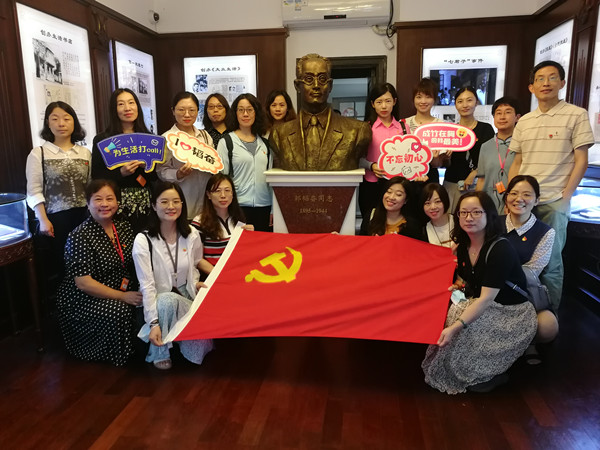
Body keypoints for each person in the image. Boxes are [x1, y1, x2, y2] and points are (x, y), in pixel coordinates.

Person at [422, 191, 537, 394]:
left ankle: (492, 372)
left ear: (489, 215)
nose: (469, 218)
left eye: (476, 212)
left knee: (462, 329)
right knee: (455, 323)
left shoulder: (500, 249)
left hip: (511, 312)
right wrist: (459, 285)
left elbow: (485, 299)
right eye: (463, 212)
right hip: (485, 305)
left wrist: (455, 328)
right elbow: (469, 279)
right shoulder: (464, 245)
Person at [508, 60, 594, 310]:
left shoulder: (576, 114)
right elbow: (518, 162)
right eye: (540, 79)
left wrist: (566, 197)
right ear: (531, 87)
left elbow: (582, 160)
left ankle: (549, 315)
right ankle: (520, 312)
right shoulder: (525, 121)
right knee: (517, 255)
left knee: (551, 261)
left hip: (555, 200)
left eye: (552, 77)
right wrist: (511, 196)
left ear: (562, 82)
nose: (546, 83)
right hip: (523, 201)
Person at [57, 179, 143, 366]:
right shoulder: (79, 236)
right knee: (119, 310)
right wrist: (122, 296)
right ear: (88, 204)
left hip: (121, 286)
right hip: (84, 298)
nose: (104, 204)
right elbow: (84, 283)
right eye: (98, 199)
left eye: (109, 199)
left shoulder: (123, 227)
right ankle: (121, 355)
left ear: (117, 202)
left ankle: (144, 347)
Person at [132, 182, 213, 370]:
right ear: (154, 205)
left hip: (187, 295)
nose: (171, 206)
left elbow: (195, 263)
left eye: (176, 201)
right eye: (164, 202)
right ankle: (159, 350)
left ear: (182, 204)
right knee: (166, 301)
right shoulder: (143, 240)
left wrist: (196, 284)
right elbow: (147, 286)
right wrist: (153, 323)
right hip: (158, 298)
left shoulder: (191, 234)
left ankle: (177, 339)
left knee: (200, 352)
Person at [269, 53, 372, 171]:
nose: (316, 85)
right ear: (297, 86)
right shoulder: (279, 134)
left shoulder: (358, 131)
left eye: (322, 79)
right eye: (309, 79)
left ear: (330, 85)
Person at [26, 101, 91, 283]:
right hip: (55, 219)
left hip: (84, 216)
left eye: (66, 119)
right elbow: (33, 190)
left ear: (74, 122)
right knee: (63, 263)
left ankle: (88, 297)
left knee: (86, 261)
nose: (61, 123)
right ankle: (67, 299)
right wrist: (43, 220)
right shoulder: (39, 153)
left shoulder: (85, 153)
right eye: (55, 119)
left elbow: (91, 185)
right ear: (48, 123)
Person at [501, 175, 559, 360]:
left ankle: (527, 342)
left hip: (524, 293)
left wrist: (497, 271)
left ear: (537, 200)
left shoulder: (546, 232)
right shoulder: (492, 223)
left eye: (527, 194)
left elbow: (532, 271)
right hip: (490, 290)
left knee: (548, 326)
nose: (519, 199)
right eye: (514, 193)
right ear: (506, 197)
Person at [91, 88, 158, 233]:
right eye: (121, 104)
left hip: (145, 202)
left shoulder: (149, 138)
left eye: (131, 103)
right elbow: (96, 176)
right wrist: (120, 172)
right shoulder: (103, 140)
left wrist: (147, 166)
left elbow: (155, 176)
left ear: (137, 106)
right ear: (114, 109)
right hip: (115, 202)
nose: (127, 108)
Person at [216, 93, 272, 232]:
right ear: (235, 113)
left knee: (263, 244)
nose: (245, 114)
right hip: (237, 206)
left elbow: (270, 180)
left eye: (249, 110)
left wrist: (273, 209)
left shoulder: (265, 144)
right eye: (241, 110)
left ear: (256, 113)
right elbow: (221, 179)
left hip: (264, 206)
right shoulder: (226, 142)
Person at [157, 91, 213, 220]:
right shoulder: (166, 139)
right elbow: (161, 171)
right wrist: (178, 174)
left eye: (192, 110)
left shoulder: (205, 136)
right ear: (173, 111)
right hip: (180, 204)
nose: (187, 114)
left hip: (205, 205)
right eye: (181, 110)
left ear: (198, 111)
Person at [358, 83, 406, 220]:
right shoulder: (365, 128)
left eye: (388, 101)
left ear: (394, 102)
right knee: (371, 221)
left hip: (397, 185)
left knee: (395, 222)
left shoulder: (403, 128)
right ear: (372, 104)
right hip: (372, 183)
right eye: (379, 102)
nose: (384, 106)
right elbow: (356, 158)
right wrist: (371, 166)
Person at [443, 87, 495, 213]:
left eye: (469, 100)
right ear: (455, 105)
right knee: (452, 219)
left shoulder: (486, 129)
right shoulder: (450, 131)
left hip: (478, 184)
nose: (465, 105)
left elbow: (491, 158)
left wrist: (475, 172)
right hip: (452, 184)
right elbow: (446, 164)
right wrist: (446, 158)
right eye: (460, 101)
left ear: (476, 102)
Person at [191, 173, 254, 276]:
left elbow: (244, 253)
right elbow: (197, 259)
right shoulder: (199, 222)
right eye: (217, 191)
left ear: (232, 194)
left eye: (227, 190)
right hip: (213, 277)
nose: (223, 195)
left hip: (238, 274)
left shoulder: (238, 219)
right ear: (208, 195)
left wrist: (251, 237)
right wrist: (219, 275)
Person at [476, 97, 521, 213]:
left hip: (515, 204)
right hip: (488, 205)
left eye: (508, 112)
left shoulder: (522, 145)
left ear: (517, 117)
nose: (502, 117)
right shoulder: (485, 146)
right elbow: (481, 179)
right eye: (498, 113)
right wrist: (476, 205)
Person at [404, 78, 449, 185]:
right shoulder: (403, 124)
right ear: (413, 99)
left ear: (434, 99)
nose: (423, 101)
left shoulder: (441, 126)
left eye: (428, 97)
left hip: (431, 177)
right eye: (419, 97)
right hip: (407, 176)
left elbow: (438, 164)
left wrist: (435, 158)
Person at [360, 176, 424, 240]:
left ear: (406, 200)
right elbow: (361, 242)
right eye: (389, 192)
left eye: (398, 194)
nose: (391, 197)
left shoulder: (412, 225)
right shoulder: (371, 216)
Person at [421, 183, 454, 248]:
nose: (433, 207)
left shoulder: (459, 221)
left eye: (437, 201)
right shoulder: (423, 231)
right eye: (427, 203)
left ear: (445, 201)